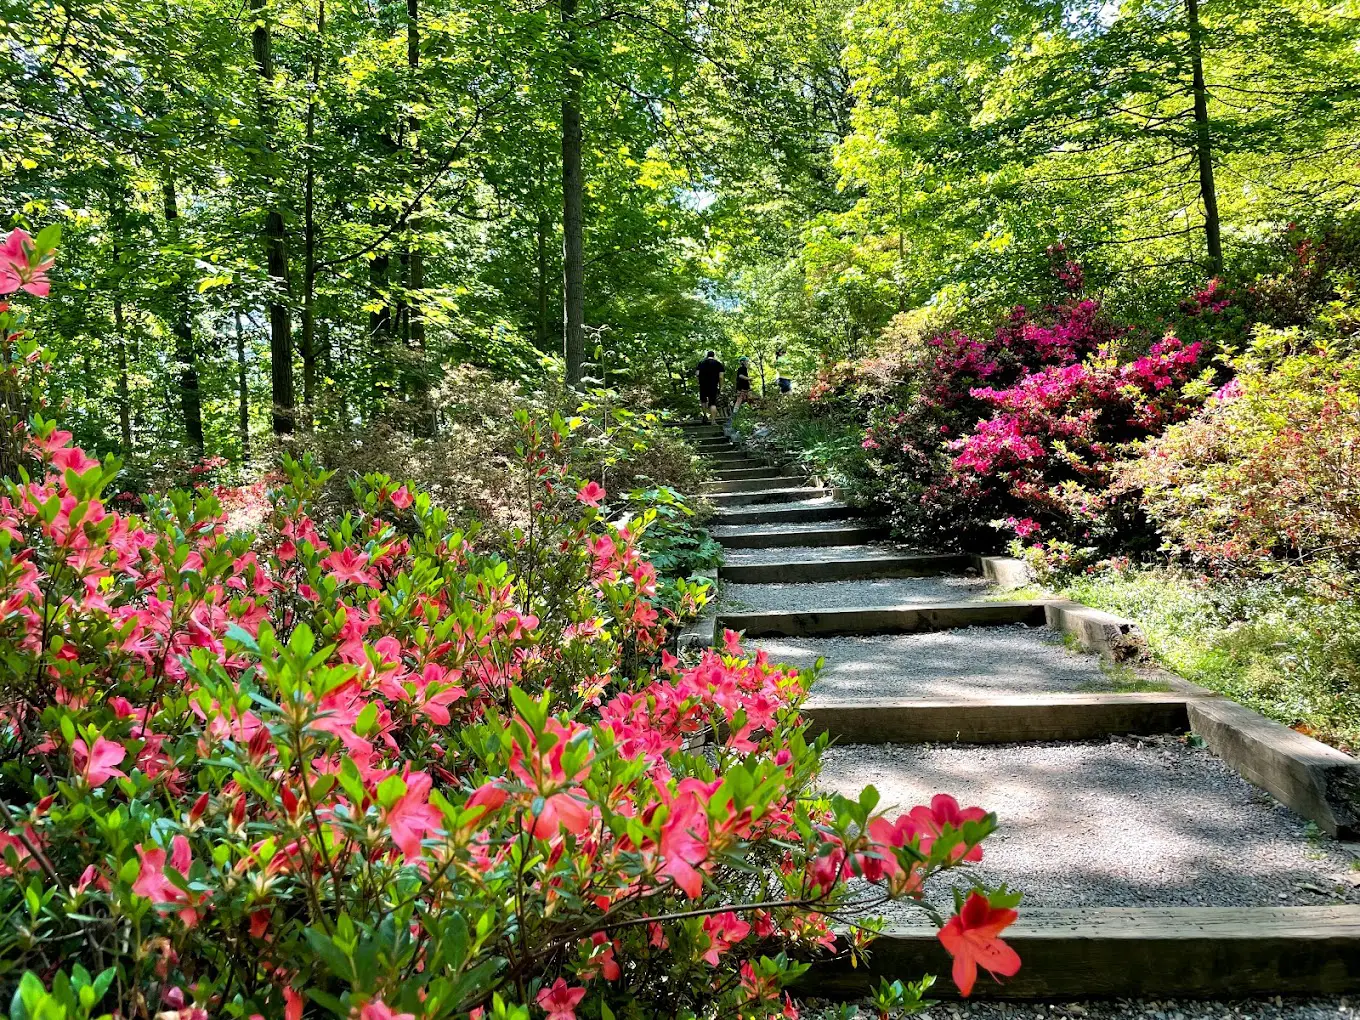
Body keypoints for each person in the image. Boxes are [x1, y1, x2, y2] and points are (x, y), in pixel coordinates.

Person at [695, 350, 725, 422]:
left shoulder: (701, 363)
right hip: (713, 385)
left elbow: (697, 374)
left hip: (703, 385)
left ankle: (705, 415)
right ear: (713, 356)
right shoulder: (718, 364)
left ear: (707, 356)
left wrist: (699, 382)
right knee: (712, 403)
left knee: (703, 401)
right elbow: (721, 377)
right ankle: (713, 421)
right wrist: (721, 387)